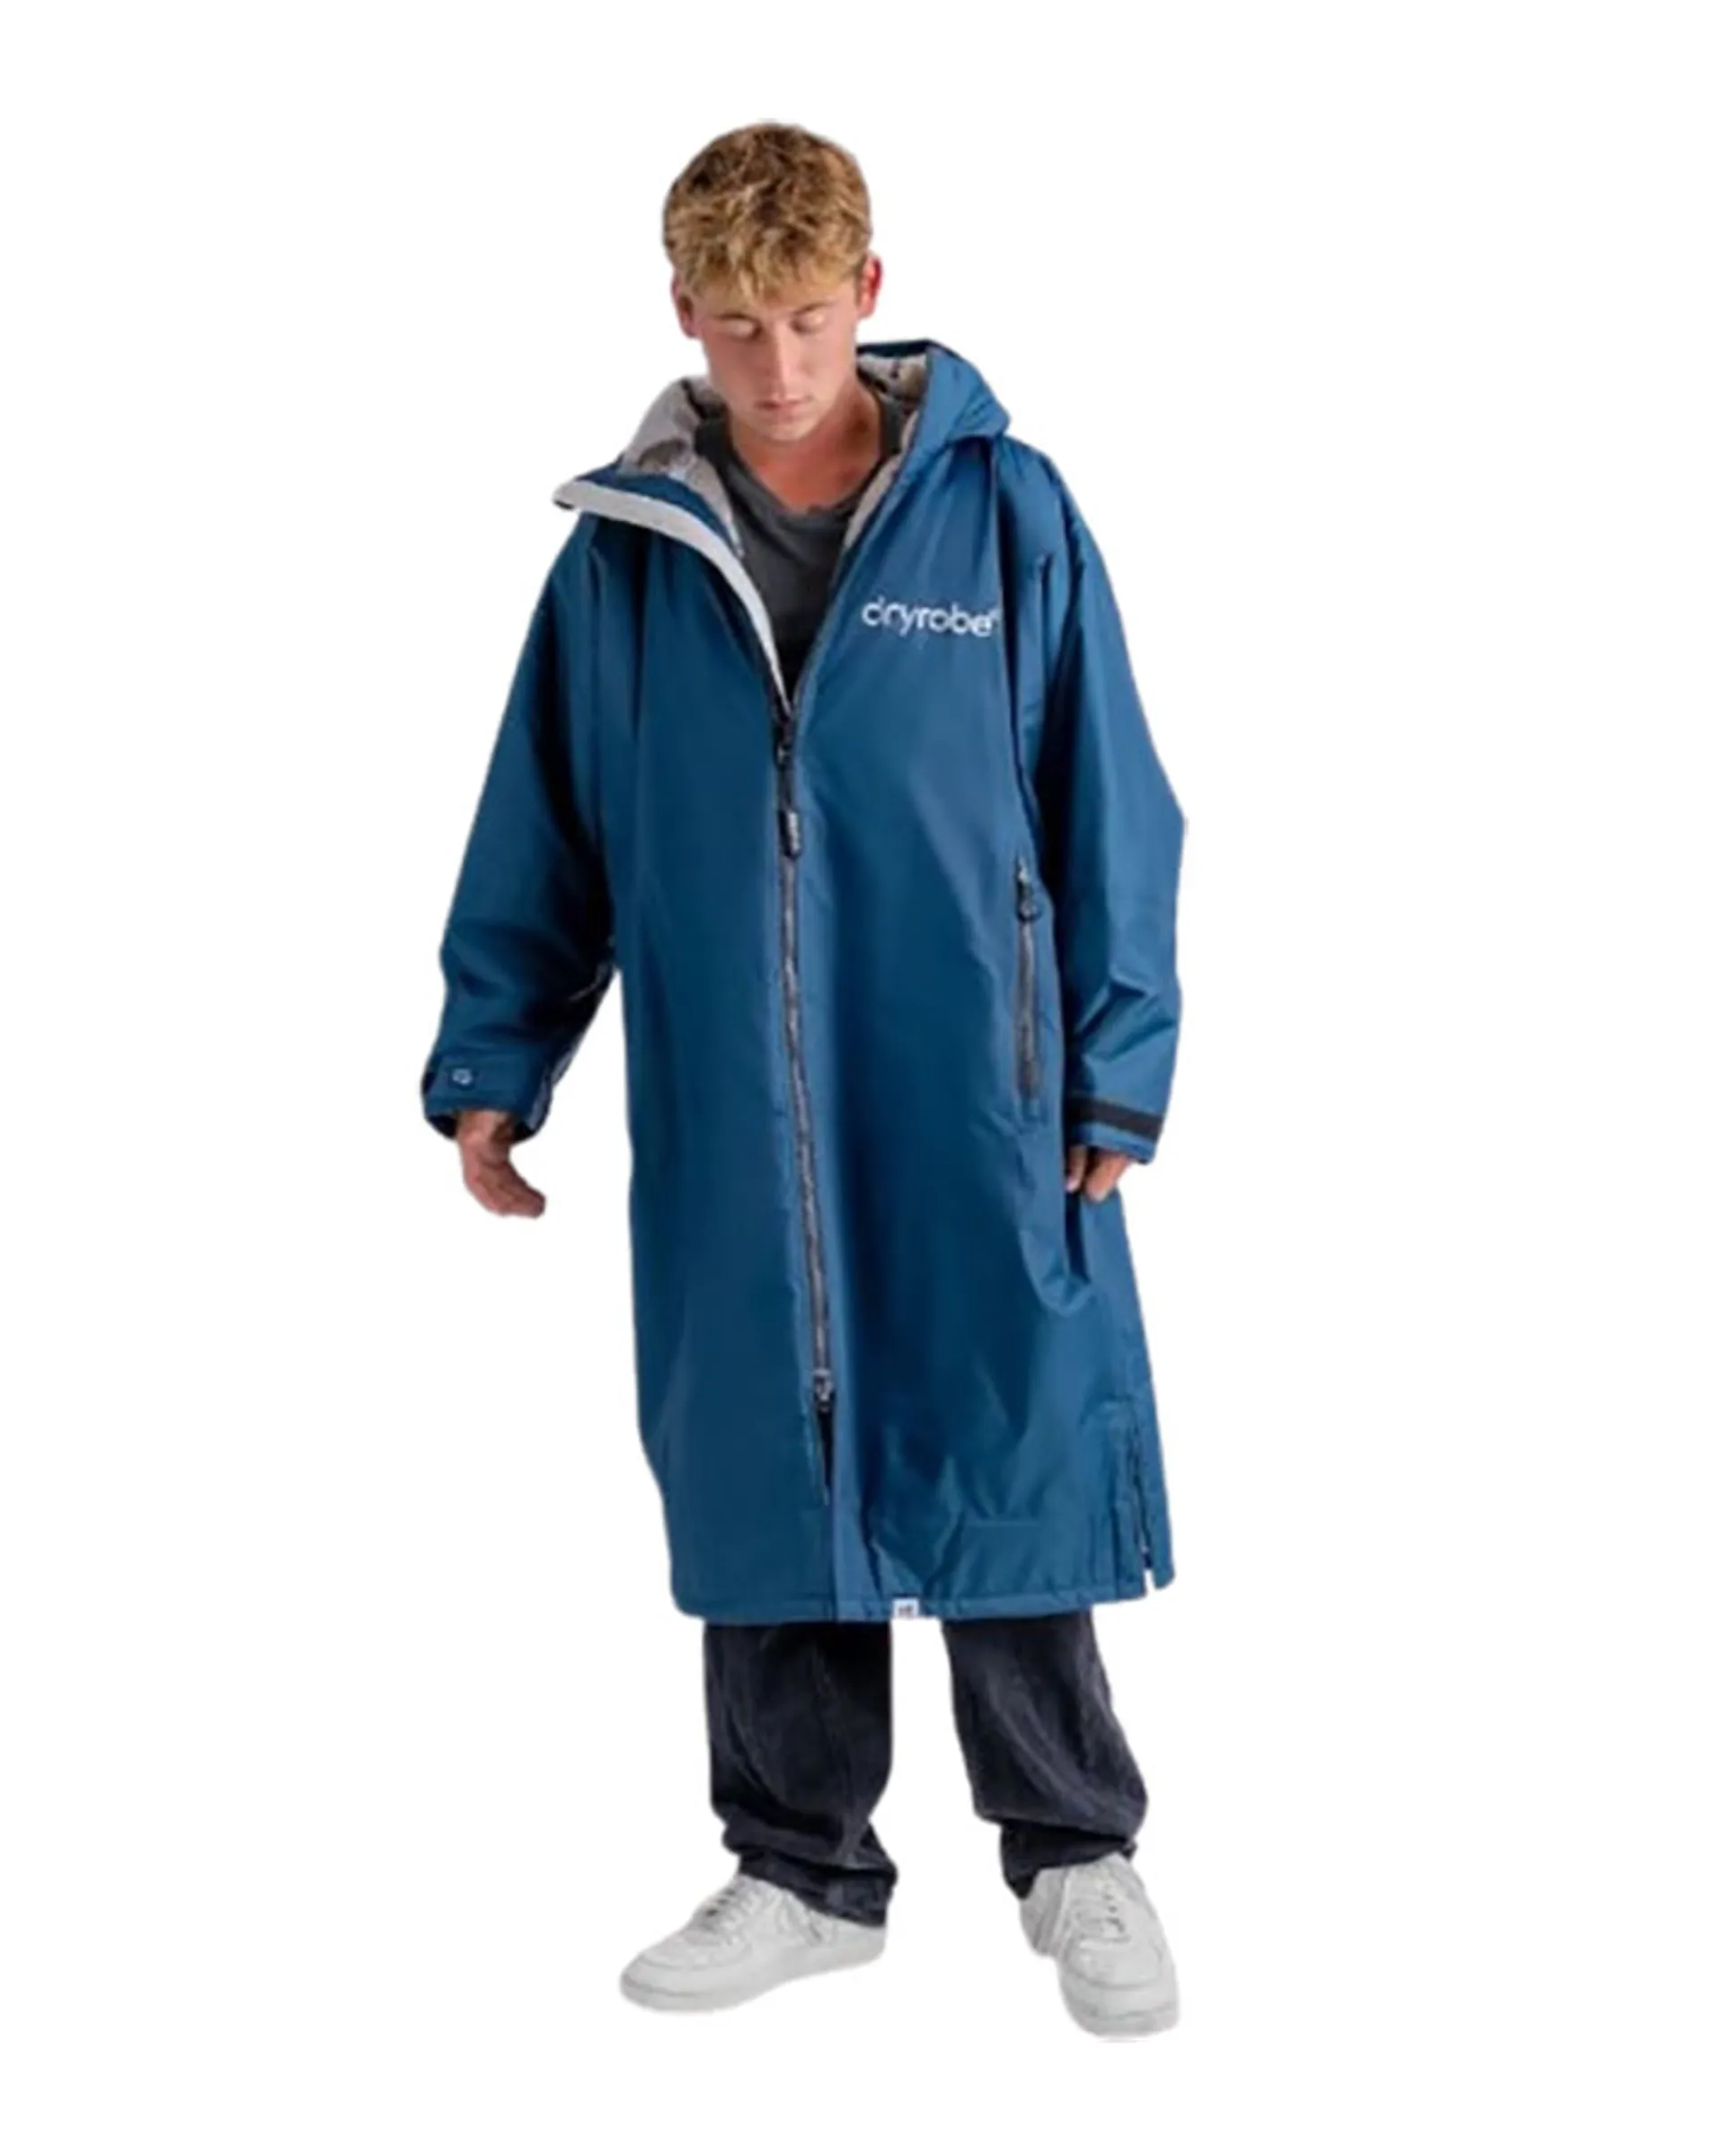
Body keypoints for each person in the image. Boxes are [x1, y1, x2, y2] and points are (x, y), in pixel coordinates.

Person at [420, 121, 1188, 2039]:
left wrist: (1115, 1064)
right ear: (684, 311)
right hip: (734, 1095)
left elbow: (1112, 795)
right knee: (767, 1445)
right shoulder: (625, 558)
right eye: (739, 323)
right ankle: (801, 1870)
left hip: (975, 1086)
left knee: (1006, 1443)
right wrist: (497, 1054)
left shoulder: (1002, 512)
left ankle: (1076, 1854)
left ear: (871, 291)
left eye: (810, 320)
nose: (778, 366)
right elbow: (548, 826)